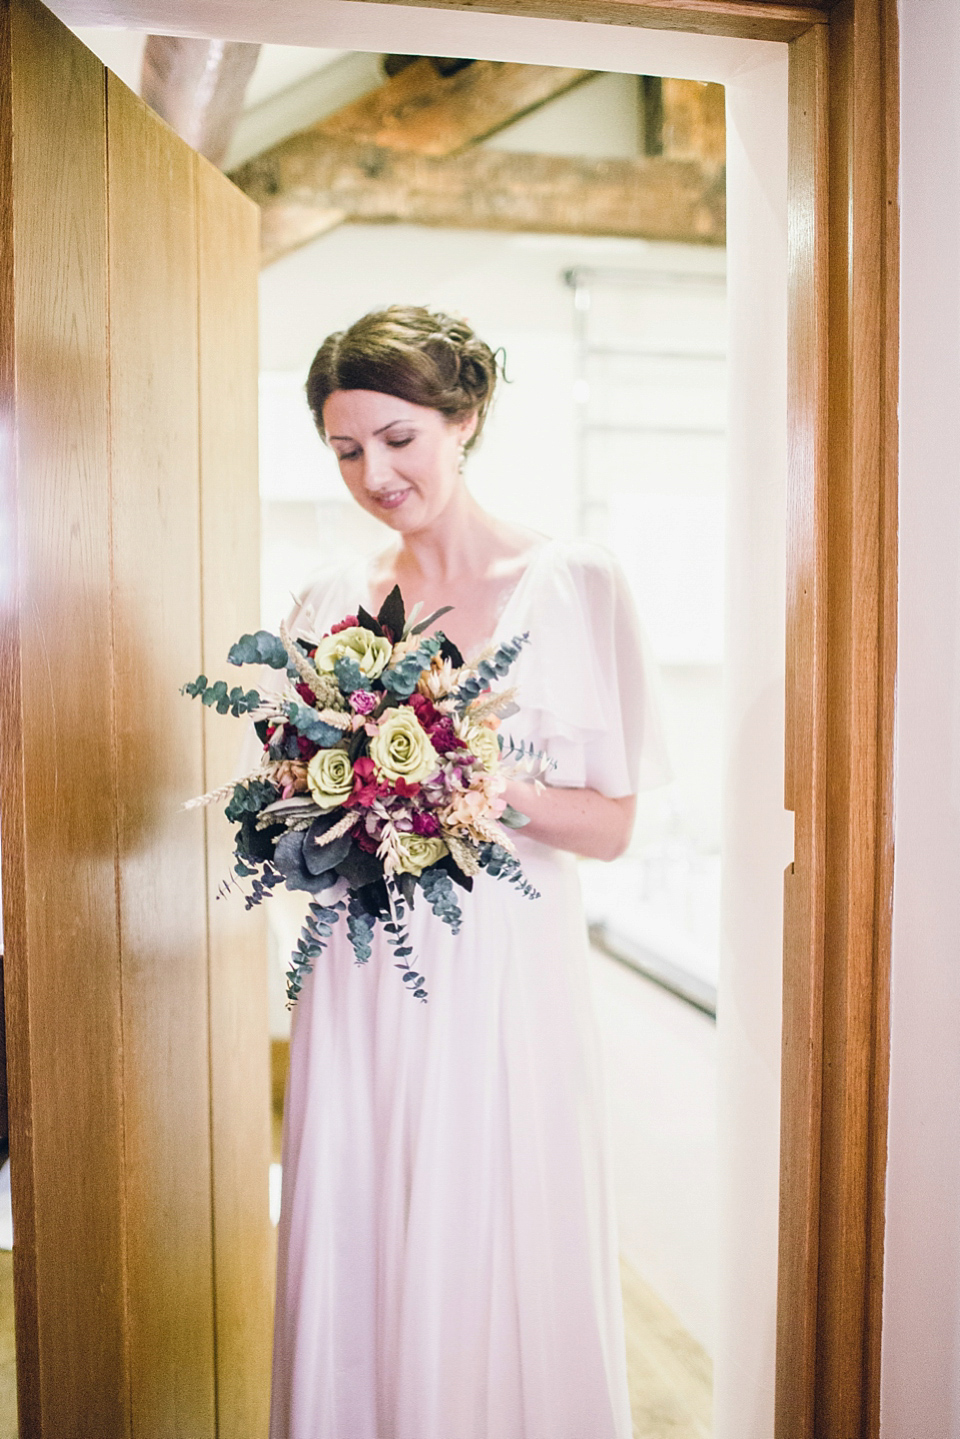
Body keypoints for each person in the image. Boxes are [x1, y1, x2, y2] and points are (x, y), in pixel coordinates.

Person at [269, 305, 671, 1439]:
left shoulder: (569, 582)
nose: (375, 472)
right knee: (365, 1213)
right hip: (362, 975)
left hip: (503, 977)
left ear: (465, 418)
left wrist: (469, 780)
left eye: (397, 438)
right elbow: (298, 789)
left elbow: (611, 825)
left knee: (491, 1216)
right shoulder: (326, 601)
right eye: (347, 449)